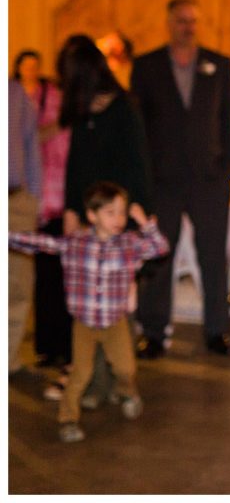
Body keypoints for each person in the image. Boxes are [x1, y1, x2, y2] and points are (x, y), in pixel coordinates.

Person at [8, 181, 169, 443]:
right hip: (84, 324)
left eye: (121, 212)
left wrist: (145, 223)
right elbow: (40, 242)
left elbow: (160, 248)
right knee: (80, 373)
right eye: (110, 212)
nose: (118, 218)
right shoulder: (76, 244)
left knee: (126, 369)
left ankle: (127, 392)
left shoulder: (128, 244)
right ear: (92, 216)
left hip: (115, 322)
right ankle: (68, 419)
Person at [131, 0, 230, 357]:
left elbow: (229, 123)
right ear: (168, 22)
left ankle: (216, 330)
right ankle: (154, 331)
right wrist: (144, 179)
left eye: (193, 20)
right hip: (162, 181)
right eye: (181, 20)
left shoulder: (218, 65)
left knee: (212, 257)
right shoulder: (146, 67)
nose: (188, 27)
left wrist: (226, 171)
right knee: (159, 257)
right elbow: (139, 128)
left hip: (208, 180)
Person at [58, 34, 154, 404]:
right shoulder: (84, 112)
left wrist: (135, 220)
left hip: (118, 223)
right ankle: (94, 384)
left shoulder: (124, 109)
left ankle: (121, 380)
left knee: (116, 308)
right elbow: (75, 166)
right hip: (88, 220)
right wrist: (70, 211)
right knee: (87, 306)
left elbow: (139, 167)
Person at [13, 50, 73, 368]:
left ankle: (59, 344)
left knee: (58, 275)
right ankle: (44, 346)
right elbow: (26, 140)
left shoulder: (53, 94)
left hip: (57, 196)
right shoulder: (15, 97)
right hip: (30, 197)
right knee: (35, 278)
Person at [8, 79, 42, 375]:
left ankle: (9, 357)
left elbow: (31, 143)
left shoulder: (16, 92)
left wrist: (33, 198)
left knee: (18, 285)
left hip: (16, 199)